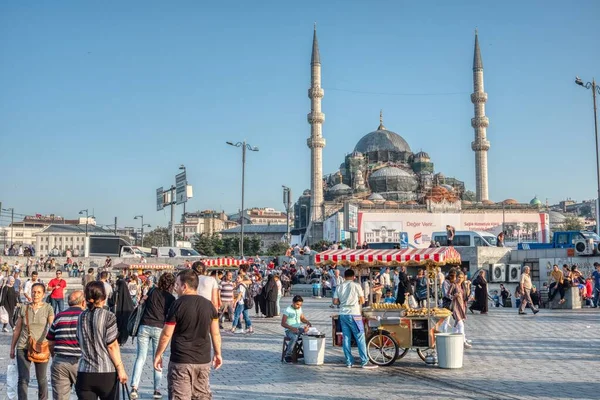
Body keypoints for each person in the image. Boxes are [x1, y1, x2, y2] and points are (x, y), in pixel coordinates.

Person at [153, 270, 222, 399]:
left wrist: (158, 354)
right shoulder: (209, 305)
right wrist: (218, 354)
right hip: (203, 361)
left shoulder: (177, 304)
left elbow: (166, 334)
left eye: (177, 284)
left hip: (181, 361)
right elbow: (216, 333)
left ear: (184, 286)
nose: (176, 288)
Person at [75, 281, 128, 399]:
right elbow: (112, 345)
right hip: (106, 372)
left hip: (85, 372)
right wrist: (121, 369)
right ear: (104, 297)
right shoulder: (109, 316)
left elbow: (78, 340)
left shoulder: (80, 317)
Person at [130, 273, 176, 399]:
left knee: (140, 358)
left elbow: (142, 301)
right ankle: (156, 390)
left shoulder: (152, 291)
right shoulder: (171, 298)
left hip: (144, 326)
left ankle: (134, 387)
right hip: (159, 329)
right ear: (171, 284)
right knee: (158, 358)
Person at [10, 282, 54, 400]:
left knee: (42, 379)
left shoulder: (48, 308)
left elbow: (52, 327)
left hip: (41, 347)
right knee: (23, 379)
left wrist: (54, 346)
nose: (36, 295)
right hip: (23, 346)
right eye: (34, 292)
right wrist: (12, 348)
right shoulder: (24, 308)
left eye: (39, 292)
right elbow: (17, 329)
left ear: (43, 294)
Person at [333, 268, 377, 369]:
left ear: (344, 277)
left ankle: (349, 362)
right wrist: (354, 302)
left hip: (343, 314)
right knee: (360, 337)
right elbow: (362, 300)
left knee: (346, 338)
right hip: (354, 314)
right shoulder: (357, 285)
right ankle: (364, 361)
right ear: (353, 277)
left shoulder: (339, 287)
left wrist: (343, 303)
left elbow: (335, 302)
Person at [46, 290, 85, 400]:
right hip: (81, 363)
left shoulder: (59, 316)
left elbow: (50, 342)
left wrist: (55, 357)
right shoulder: (85, 316)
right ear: (83, 302)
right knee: (85, 395)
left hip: (60, 362)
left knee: (60, 397)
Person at [281, 295, 311, 363]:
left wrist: (307, 322)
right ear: (293, 302)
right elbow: (283, 323)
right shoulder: (288, 310)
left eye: (300, 305)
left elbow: (302, 318)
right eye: (297, 304)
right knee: (294, 337)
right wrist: (292, 328)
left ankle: (307, 353)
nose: (299, 306)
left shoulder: (299, 309)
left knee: (309, 333)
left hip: (298, 328)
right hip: (289, 330)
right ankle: (288, 355)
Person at [450, 271, 471, 348]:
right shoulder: (453, 285)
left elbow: (467, 295)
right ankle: (463, 342)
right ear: (456, 277)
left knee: (456, 326)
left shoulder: (463, 286)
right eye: (459, 277)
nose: (460, 279)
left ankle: (452, 340)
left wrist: (468, 285)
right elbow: (447, 295)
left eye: (462, 278)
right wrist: (454, 296)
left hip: (462, 307)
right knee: (461, 325)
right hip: (455, 307)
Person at [112, 277, 135, 345]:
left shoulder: (116, 293)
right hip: (126, 313)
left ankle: (118, 339)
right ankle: (123, 340)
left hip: (118, 313)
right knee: (124, 326)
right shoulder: (127, 294)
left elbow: (111, 302)